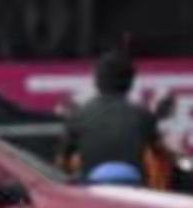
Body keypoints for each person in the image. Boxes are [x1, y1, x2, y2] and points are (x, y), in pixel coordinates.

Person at [58, 50, 166, 187]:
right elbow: (160, 154)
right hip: (136, 190)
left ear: (97, 80)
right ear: (130, 82)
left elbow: (62, 160)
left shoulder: (79, 115)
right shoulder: (144, 116)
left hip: (91, 191)